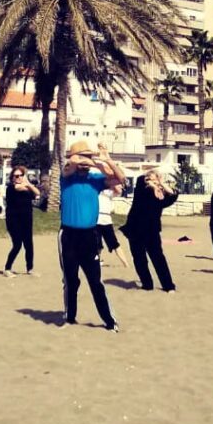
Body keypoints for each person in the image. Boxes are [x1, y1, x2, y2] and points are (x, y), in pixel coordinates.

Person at [59, 140, 122, 331]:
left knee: (95, 281)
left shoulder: (95, 179)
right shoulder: (66, 175)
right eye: (83, 157)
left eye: (88, 157)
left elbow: (120, 179)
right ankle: (70, 318)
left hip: (89, 236)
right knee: (70, 280)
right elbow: (71, 165)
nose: (86, 161)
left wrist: (107, 160)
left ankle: (110, 322)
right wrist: (84, 159)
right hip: (68, 235)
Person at [121, 170, 178, 292]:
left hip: (152, 231)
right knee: (139, 259)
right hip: (135, 229)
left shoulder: (161, 197)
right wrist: (151, 182)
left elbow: (173, 195)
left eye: (154, 179)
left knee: (158, 258)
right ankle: (147, 284)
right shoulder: (142, 189)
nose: (151, 181)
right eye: (149, 179)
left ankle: (168, 286)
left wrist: (161, 183)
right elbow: (141, 180)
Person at [4, 166, 39, 277]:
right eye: (16, 176)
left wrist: (28, 184)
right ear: (12, 177)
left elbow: (38, 193)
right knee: (17, 244)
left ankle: (30, 268)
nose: (18, 177)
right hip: (13, 220)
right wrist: (29, 185)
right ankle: (7, 268)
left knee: (29, 244)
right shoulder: (11, 187)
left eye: (20, 175)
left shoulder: (27, 188)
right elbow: (20, 188)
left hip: (27, 219)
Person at [97, 184, 129, 268]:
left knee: (114, 243)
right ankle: (97, 261)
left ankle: (125, 263)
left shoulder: (109, 192)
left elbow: (119, 191)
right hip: (96, 219)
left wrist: (113, 182)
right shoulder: (96, 191)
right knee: (97, 243)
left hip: (106, 220)